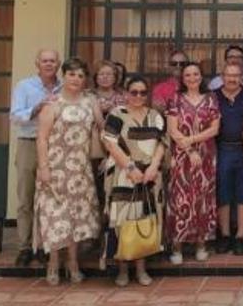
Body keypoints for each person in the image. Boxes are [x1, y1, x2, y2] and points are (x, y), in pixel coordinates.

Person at [34, 57, 102, 286]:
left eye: (81, 75)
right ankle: (53, 262)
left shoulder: (91, 102)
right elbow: (42, 139)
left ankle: (73, 262)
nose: (76, 79)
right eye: (72, 74)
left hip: (80, 169)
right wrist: (44, 168)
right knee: (54, 217)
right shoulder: (51, 104)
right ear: (64, 76)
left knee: (75, 218)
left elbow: (102, 128)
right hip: (55, 168)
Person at [101, 75, 167, 287]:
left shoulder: (155, 115)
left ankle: (141, 268)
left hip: (150, 176)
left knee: (145, 218)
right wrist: (129, 167)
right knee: (123, 220)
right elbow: (111, 143)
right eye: (134, 92)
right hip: (124, 174)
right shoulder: (117, 114)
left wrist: (154, 167)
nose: (138, 96)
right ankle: (122, 270)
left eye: (143, 92)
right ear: (126, 93)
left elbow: (162, 143)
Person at [9, 48, 62, 267]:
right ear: (37, 63)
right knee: (26, 198)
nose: (49, 64)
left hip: (55, 147)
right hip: (29, 144)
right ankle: (24, 247)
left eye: (53, 61)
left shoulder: (64, 87)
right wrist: (35, 109)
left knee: (49, 199)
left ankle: (43, 246)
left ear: (58, 64)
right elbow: (15, 116)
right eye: (45, 61)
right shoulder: (24, 86)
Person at [165, 62, 221, 264]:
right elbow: (173, 130)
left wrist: (191, 140)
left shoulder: (211, 98)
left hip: (206, 157)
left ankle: (201, 244)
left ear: (201, 76)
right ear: (182, 78)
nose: (192, 78)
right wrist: (189, 149)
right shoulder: (175, 99)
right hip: (182, 158)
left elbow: (214, 129)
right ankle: (177, 247)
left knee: (203, 200)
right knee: (181, 199)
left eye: (196, 74)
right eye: (187, 74)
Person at [213, 63, 243, 255]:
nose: (232, 79)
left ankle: (240, 236)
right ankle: (225, 235)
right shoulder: (213, 96)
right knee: (223, 193)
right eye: (229, 75)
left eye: (236, 75)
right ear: (222, 76)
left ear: (242, 77)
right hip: (221, 149)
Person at [91, 60, 127, 214]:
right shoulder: (87, 96)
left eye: (109, 74)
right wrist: (97, 111)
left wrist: (114, 111)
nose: (105, 77)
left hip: (117, 150)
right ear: (96, 77)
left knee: (112, 189)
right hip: (92, 149)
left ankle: (110, 230)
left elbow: (126, 125)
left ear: (115, 77)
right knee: (93, 190)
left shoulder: (123, 98)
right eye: (101, 74)